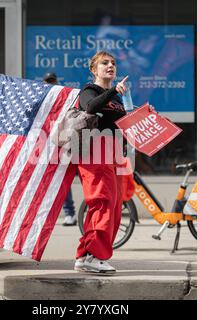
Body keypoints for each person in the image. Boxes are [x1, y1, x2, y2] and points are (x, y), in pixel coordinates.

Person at [74, 50, 129, 274]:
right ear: (94, 69)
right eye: (104, 63)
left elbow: (124, 125)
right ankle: (93, 256)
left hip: (114, 153)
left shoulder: (117, 98)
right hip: (94, 151)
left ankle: (86, 255)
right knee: (102, 201)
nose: (110, 66)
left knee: (114, 207)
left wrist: (144, 115)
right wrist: (112, 92)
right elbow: (90, 107)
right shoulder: (90, 90)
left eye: (113, 63)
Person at [43, 72, 77, 226]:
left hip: (62, 144)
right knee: (46, 181)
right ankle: (47, 215)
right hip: (45, 144)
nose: (51, 85)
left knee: (62, 180)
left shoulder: (65, 99)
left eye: (53, 82)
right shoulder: (43, 101)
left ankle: (70, 213)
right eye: (48, 82)